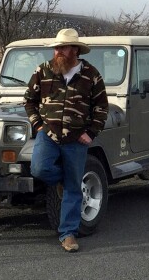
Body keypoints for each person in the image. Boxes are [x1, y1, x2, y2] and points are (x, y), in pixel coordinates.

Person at [25, 29, 108, 253]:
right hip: (48, 134)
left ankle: (68, 234)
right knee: (39, 169)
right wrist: (37, 125)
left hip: (76, 138)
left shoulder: (91, 75)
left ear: (75, 50)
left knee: (74, 187)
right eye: (56, 47)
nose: (58, 51)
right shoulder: (43, 70)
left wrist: (91, 133)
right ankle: (62, 179)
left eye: (62, 47)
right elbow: (29, 100)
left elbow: (101, 108)